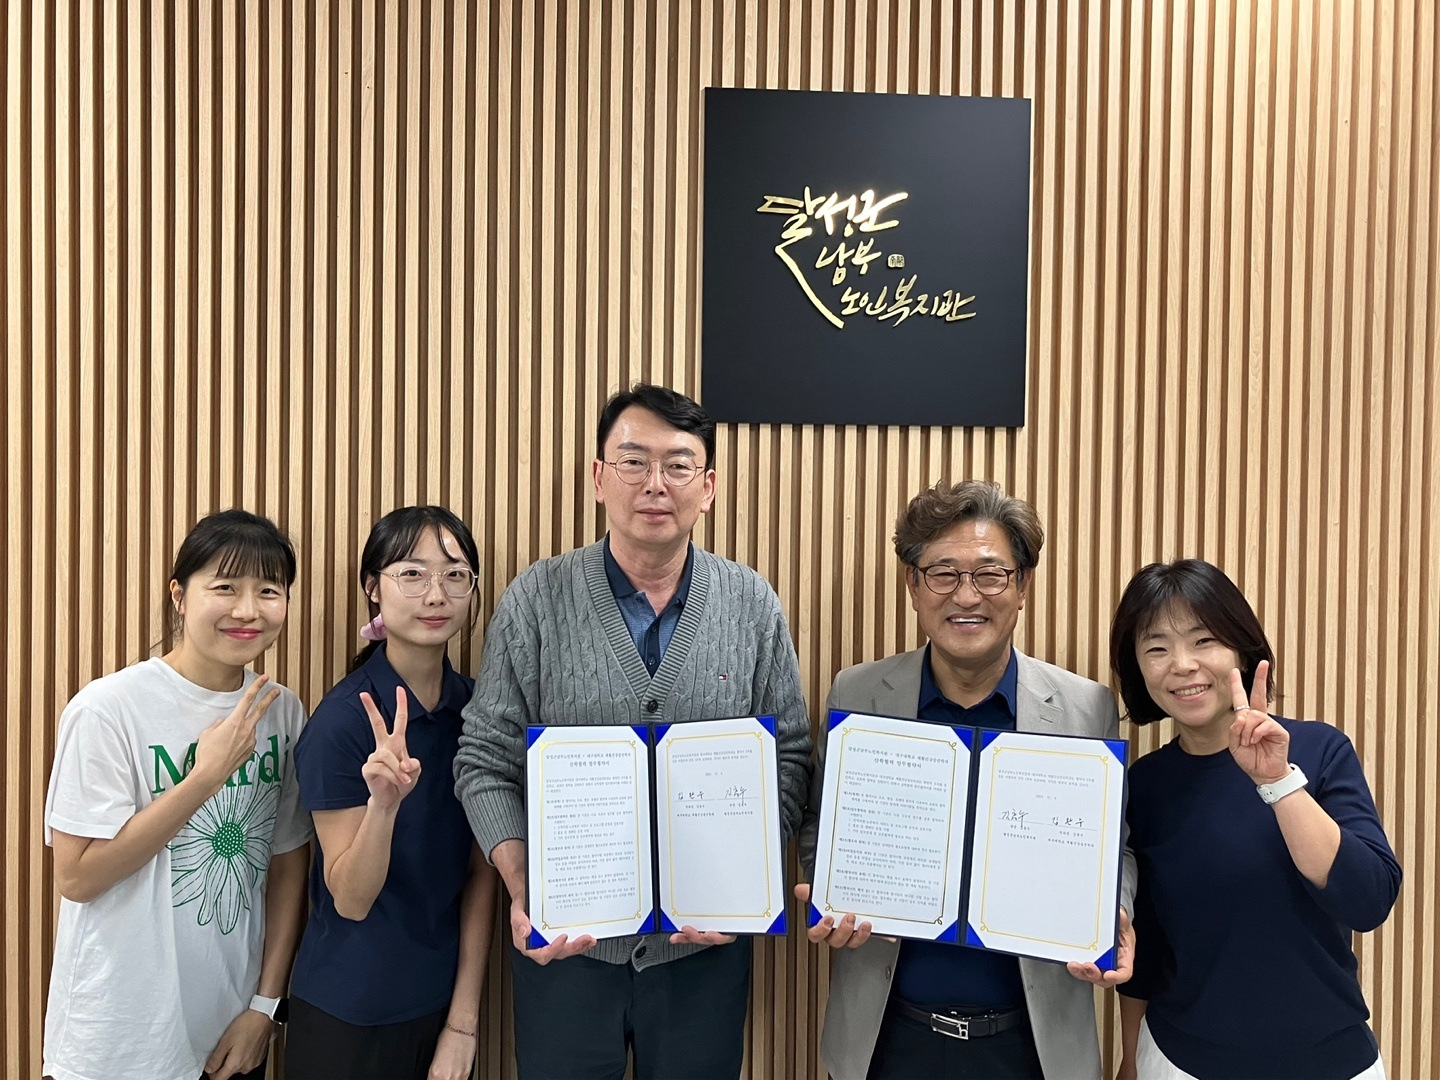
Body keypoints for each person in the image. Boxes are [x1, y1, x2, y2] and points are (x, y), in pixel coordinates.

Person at [454, 383, 812, 1079]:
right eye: (633, 462)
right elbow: (485, 759)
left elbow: (789, 757)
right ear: (598, 478)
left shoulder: (751, 603)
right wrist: (521, 882)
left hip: (703, 952)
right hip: (567, 946)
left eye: (678, 465)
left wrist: (746, 883)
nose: (656, 484)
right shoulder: (536, 599)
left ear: (708, 487)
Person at [798, 480, 1136, 1080]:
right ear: (913, 585)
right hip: (887, 1038)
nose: (966, 595)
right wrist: (830, 891)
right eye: (943, 574)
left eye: (990, 575)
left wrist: (1114, 911)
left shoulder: (1086, 709)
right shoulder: (858, 693)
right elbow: (819, 825)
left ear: (1022, 586)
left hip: (1033, 1044)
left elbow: (1118, 849)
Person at [43, 509, 310, 1080]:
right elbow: (77, 878)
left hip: (229, 1032)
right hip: (116, 1038)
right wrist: (203, 779)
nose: (248, 609)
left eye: (268, 591)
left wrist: (265, 1006)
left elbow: (289, 862)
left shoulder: (282, 711)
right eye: (225, 587)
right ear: (180, 596)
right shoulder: (108, 709)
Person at [1110, 559, 1400, 1080]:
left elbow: (1368, 899)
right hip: (1181, 1061)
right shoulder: (1146, 784)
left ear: (1241, 651)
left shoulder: (1318, 750)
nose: (1182, 665)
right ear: (1138, 667)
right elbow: (1145, 943)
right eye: (1156, 648)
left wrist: (1278, 781)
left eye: (1203, 640)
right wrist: (1130, 1059)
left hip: (1333, 1062)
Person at [284, 506, 498, 1080]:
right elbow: (351, 900)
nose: (436, 594)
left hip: (440, 1005)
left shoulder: (477, 712)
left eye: (455, 575)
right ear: (373, 588)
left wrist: (463, 1024)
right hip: (349, 1012)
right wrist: (384, 805)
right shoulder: (342, 722)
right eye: (412, 574)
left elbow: (482, 873)